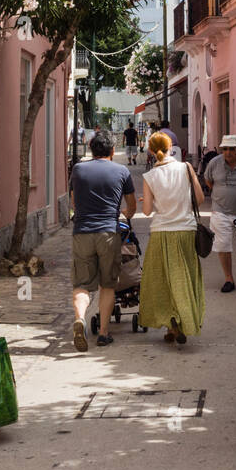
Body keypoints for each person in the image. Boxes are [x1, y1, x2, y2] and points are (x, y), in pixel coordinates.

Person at [69, 129, 136, 351]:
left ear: (91, 149)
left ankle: (80, 319)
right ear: (113, 150)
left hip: (82, 232)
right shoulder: (122, 171)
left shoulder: (78, 170)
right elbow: (132, 207)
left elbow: (73, 203)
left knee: (81, 284)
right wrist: (124, 213)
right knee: (107, 284)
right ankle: (104, 333)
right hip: (108, 232)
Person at [138, 131, 206, 343]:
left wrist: (147, 200)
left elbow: (148, 211)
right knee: (184, 278)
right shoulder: (185, 167)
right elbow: (200, 199)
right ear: (171, 148)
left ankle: (172, 324)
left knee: (163, 281)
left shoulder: (150, 176)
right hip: (186, 230)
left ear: (150, 151)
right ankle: (181, 322)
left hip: (161, 232)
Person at [204, 134, 236, 293]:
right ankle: (229, 278)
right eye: (225, 149)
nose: (228, 152)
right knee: (223, 245)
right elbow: (208, 180)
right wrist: (221, 194)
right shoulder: (214, 163)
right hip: (220, 210)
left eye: (231, 149)